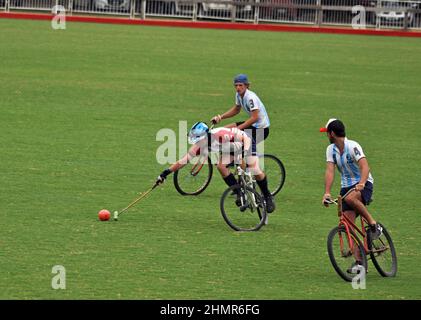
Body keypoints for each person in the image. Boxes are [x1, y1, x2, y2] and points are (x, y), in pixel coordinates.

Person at [156, 122, 275, 213]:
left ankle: (267, 195)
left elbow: (245, 139)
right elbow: (183, 161)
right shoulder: (199, 146)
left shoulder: (221, 135)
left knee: (254, 169)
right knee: (221, 166)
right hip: (231, 149)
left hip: (245, 142)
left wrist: (244, 153)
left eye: (199, 140)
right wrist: (165, 173)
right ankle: (239, 192)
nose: (197, 144)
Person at [320, 118, 382, 270]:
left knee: (350, 198)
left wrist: (361, 183)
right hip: (346, 187)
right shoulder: (331, 150)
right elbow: (330, 171)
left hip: (364, 183)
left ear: (332, 133)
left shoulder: (352, 146)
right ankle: (360, 262)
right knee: (347, 225)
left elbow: (365, 166)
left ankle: (374, 226)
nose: (326, 136)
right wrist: (326, 193)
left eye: (327, 133)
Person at [210, 74, 270, 157]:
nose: (238, 88)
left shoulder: (250, 98)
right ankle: (233, 164)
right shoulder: (238, 95)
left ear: (246, 86)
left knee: (237, 147)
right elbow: (236, 110)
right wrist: (220, 117)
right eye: (236, 85)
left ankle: (245, 167)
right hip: (253, 125)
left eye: (240, 85)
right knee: (224, 130)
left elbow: (255, 118)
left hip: (261, 130)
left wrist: (239, 128)